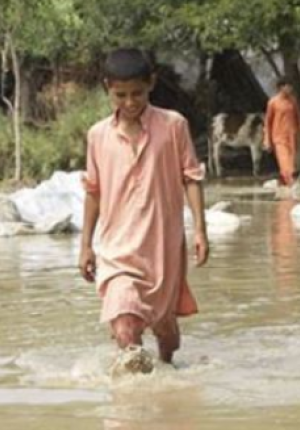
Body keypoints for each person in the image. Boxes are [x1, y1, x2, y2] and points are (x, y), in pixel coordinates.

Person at [78, 48, 209, 375]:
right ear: (107, 88)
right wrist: (85, 246)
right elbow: (93, 192)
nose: (130, 102)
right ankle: (135, 407)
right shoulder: (98, 136)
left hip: (162, 247)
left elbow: (191, 178)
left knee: (166, 334)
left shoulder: (173, 126)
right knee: (125, 328)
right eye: (120, 95)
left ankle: (166, 370)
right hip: (117, 250)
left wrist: (200, 231)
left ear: (151, 84)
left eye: (137, 93)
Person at [263, 78, 300, 188]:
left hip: (292, 137)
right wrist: (267, 140)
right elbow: (267, 122)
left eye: (291, 86)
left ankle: (284, 185)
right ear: (281, 87)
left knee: (291, 162)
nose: (290, 89)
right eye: (288, 86)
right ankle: (292, 184)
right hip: (279, 137)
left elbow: (299, 118)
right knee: (286, 162)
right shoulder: (273, 102)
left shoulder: (292, 101)